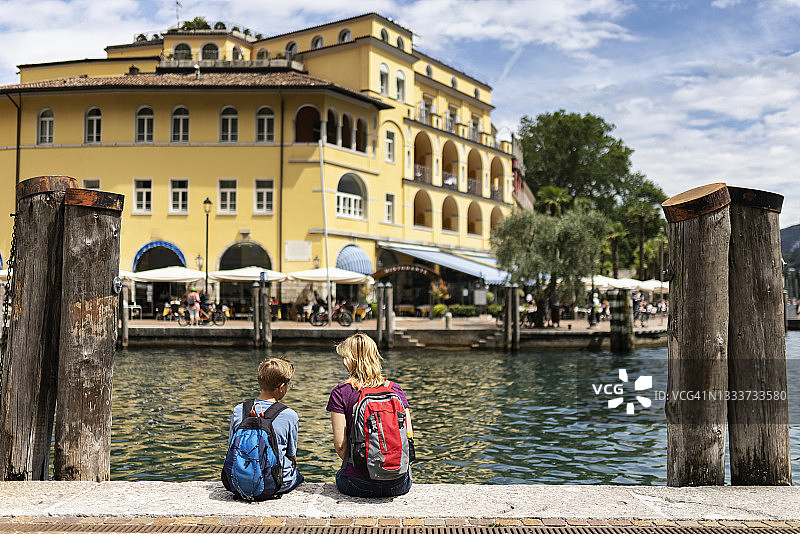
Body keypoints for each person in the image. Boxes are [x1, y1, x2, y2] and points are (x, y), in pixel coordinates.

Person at [326, 333, 413, 497]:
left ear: (351, 360)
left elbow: (340, 446)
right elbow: (408, 435)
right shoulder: (395, 389)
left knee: (341, 476)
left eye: (345, 357)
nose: (343, 362)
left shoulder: (341, 392)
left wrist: (363, 469)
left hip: (358, 483)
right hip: (398, 483)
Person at [227, 358, 304, 495]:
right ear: (281, 387)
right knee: (298, 476)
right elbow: (291, 455)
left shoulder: (239, 410)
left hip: (238, 482)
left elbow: (231, 444)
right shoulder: (289, 415)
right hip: (275, 484)